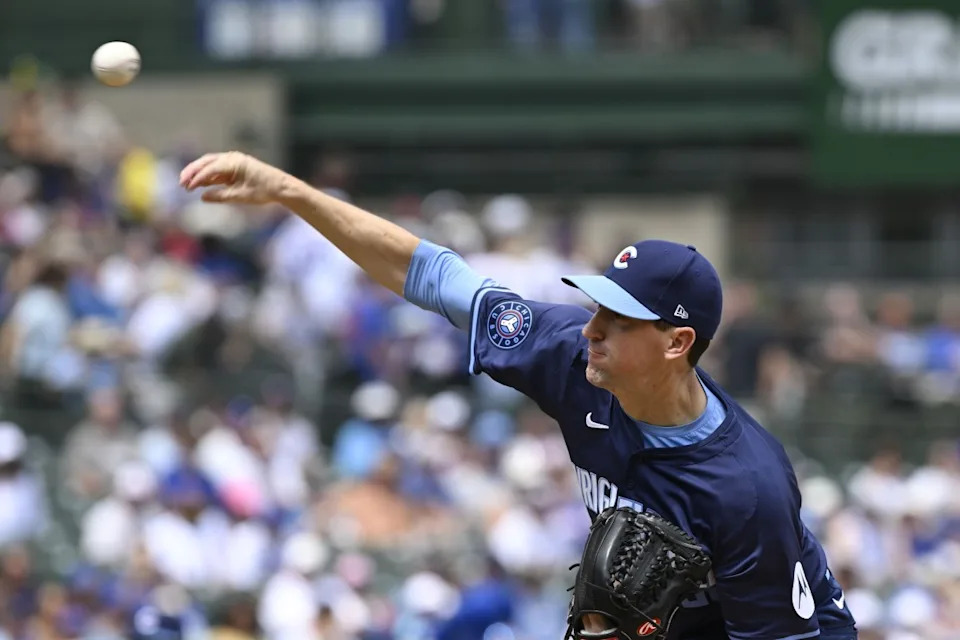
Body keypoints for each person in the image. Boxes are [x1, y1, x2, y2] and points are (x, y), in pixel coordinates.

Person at [179, 152, 858, 639]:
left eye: (616, 322)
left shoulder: (747, 487)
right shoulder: (570, 354)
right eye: (594, 309)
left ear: (677, 343)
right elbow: (434, 276)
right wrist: (291, 193)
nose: (590, 329)